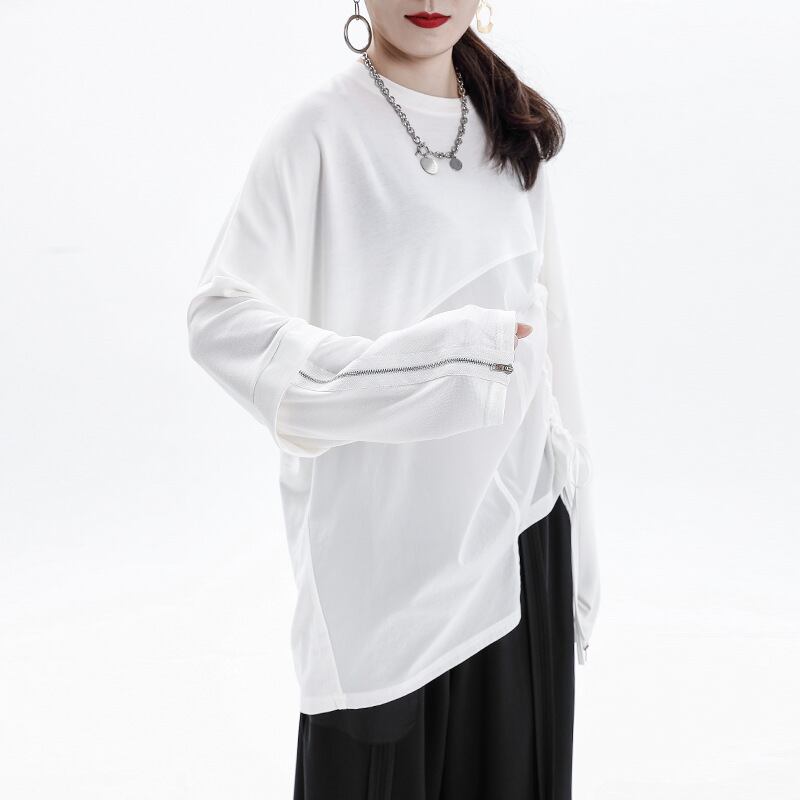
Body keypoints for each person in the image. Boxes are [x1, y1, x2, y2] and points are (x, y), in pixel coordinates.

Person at [186, 1, 601, 796]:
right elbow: (219, 321)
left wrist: (580, 551)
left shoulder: (511, 132)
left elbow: (555, 350)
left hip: (519, 547)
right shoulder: (316, 134)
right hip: (381, 580)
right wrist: (422, 371)